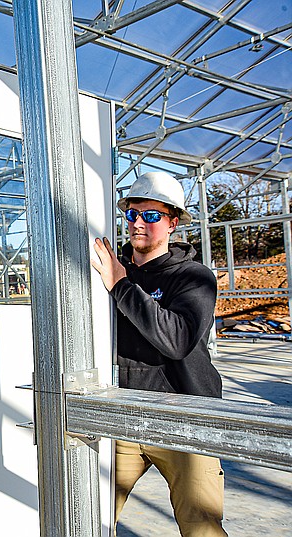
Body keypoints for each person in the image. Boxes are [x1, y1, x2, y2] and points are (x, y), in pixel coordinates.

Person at [91, 171, 227, 537]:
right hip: (122, 416)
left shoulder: (193, 277)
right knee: (90, 513)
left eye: (151, 216)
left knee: (202, 526)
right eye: (132, 214)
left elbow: (177, 340)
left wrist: (121, 286)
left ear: (172, 223)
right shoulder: (108, 267)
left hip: (185, 417)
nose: (139, 223)